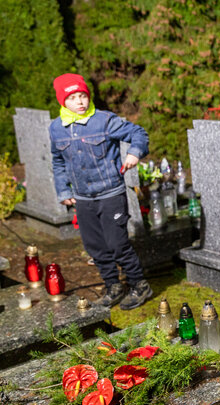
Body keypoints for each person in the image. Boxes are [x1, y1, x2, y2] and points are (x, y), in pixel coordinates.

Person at [50, 73, 152, 310]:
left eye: (83, 96)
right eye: (73, 97)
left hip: (110, 194)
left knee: (117, 243)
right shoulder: (56, 129)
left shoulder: (104, 121)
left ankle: (139, 285)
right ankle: (113, 286)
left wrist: (134, 152)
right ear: (63, 101)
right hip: (83, 198)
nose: (80, 102)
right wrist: (63, 189)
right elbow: (57, 161)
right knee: (95, 246)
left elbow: (139, 134)